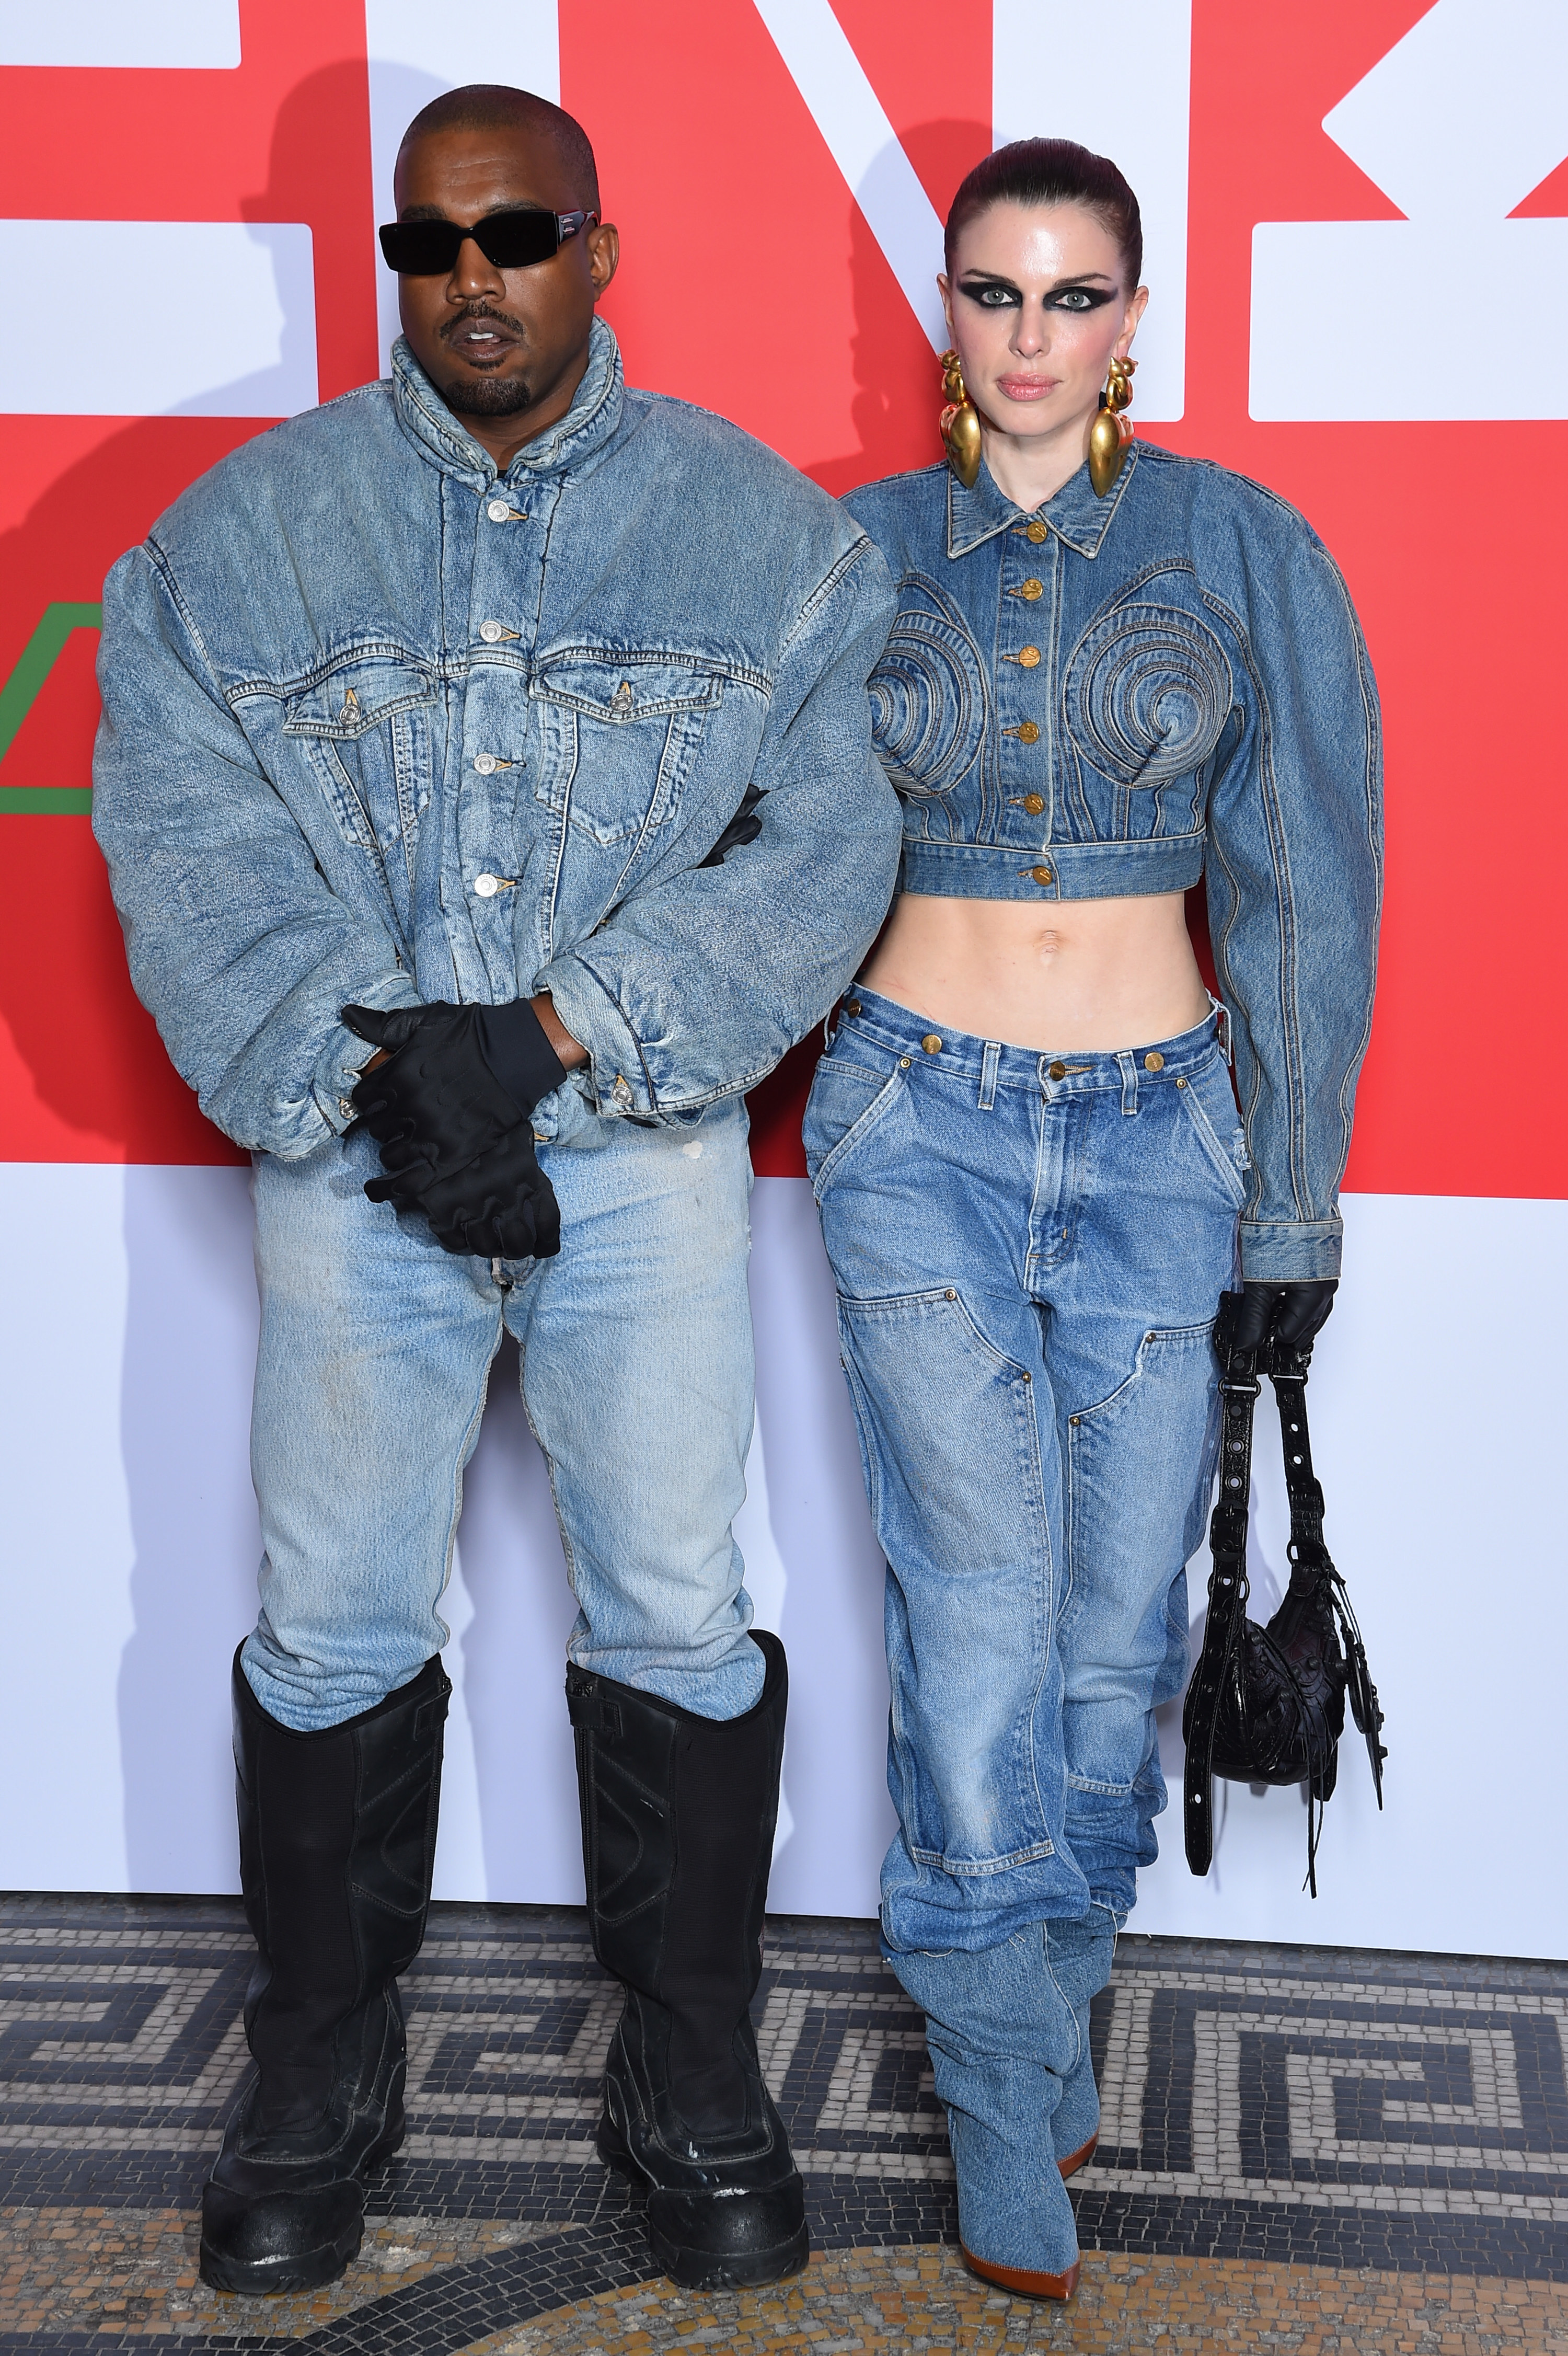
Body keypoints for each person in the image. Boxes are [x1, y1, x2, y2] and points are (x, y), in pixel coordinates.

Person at [93, 85, 900, 2300]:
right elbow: (177, 823)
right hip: (359, 1159)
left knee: (673, 1606)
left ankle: (692, 2062)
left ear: (600, 254)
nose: (474, 277)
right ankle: (321, 2063)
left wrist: (546, 1039)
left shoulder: (768, 541)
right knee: (333, 1610)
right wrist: (379, 1065)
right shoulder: (237, 540)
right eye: (429, 241)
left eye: (521, 233)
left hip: (635, 1162)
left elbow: (825, 848)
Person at [805, 140, 1381, 2301]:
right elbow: (761, 849)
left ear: (1136, 315)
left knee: (1115, 1628)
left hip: (1165, 1137)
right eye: (994, 293)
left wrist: (1293, 1188)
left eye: (1075, 297)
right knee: (973, 1604)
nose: (1031, 339)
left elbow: (1304, 879)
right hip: (913, 1127)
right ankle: (991, 2066)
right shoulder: (852, 552)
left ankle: (1047, 1992)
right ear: (942, 307)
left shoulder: (1241, 547)